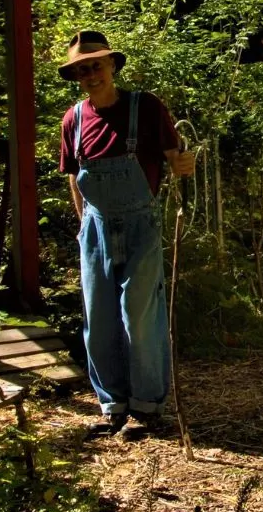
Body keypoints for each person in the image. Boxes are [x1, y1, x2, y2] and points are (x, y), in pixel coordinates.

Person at [57, 30, 194, 434]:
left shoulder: (145, 107)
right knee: (98, 318)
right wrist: (83, 224)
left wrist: (184, 164)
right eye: (82, 70)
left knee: (139, 313)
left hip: (140, 224)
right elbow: (73, 176)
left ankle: (146, 406)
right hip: (95, 229)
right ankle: (111, 404)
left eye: (96, 65)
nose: (91, 75)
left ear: (113, 65)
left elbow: (175, 158)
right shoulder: (74, 119)